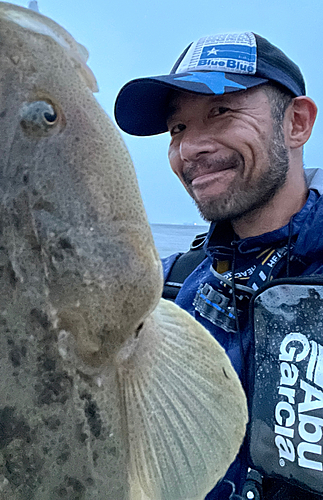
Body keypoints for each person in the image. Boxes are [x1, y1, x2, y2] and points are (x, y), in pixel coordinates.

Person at [115, 32, 322, 499]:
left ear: (296, 123)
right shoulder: (171, 286)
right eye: (178, 129)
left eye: (221, 112)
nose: (189, 149)